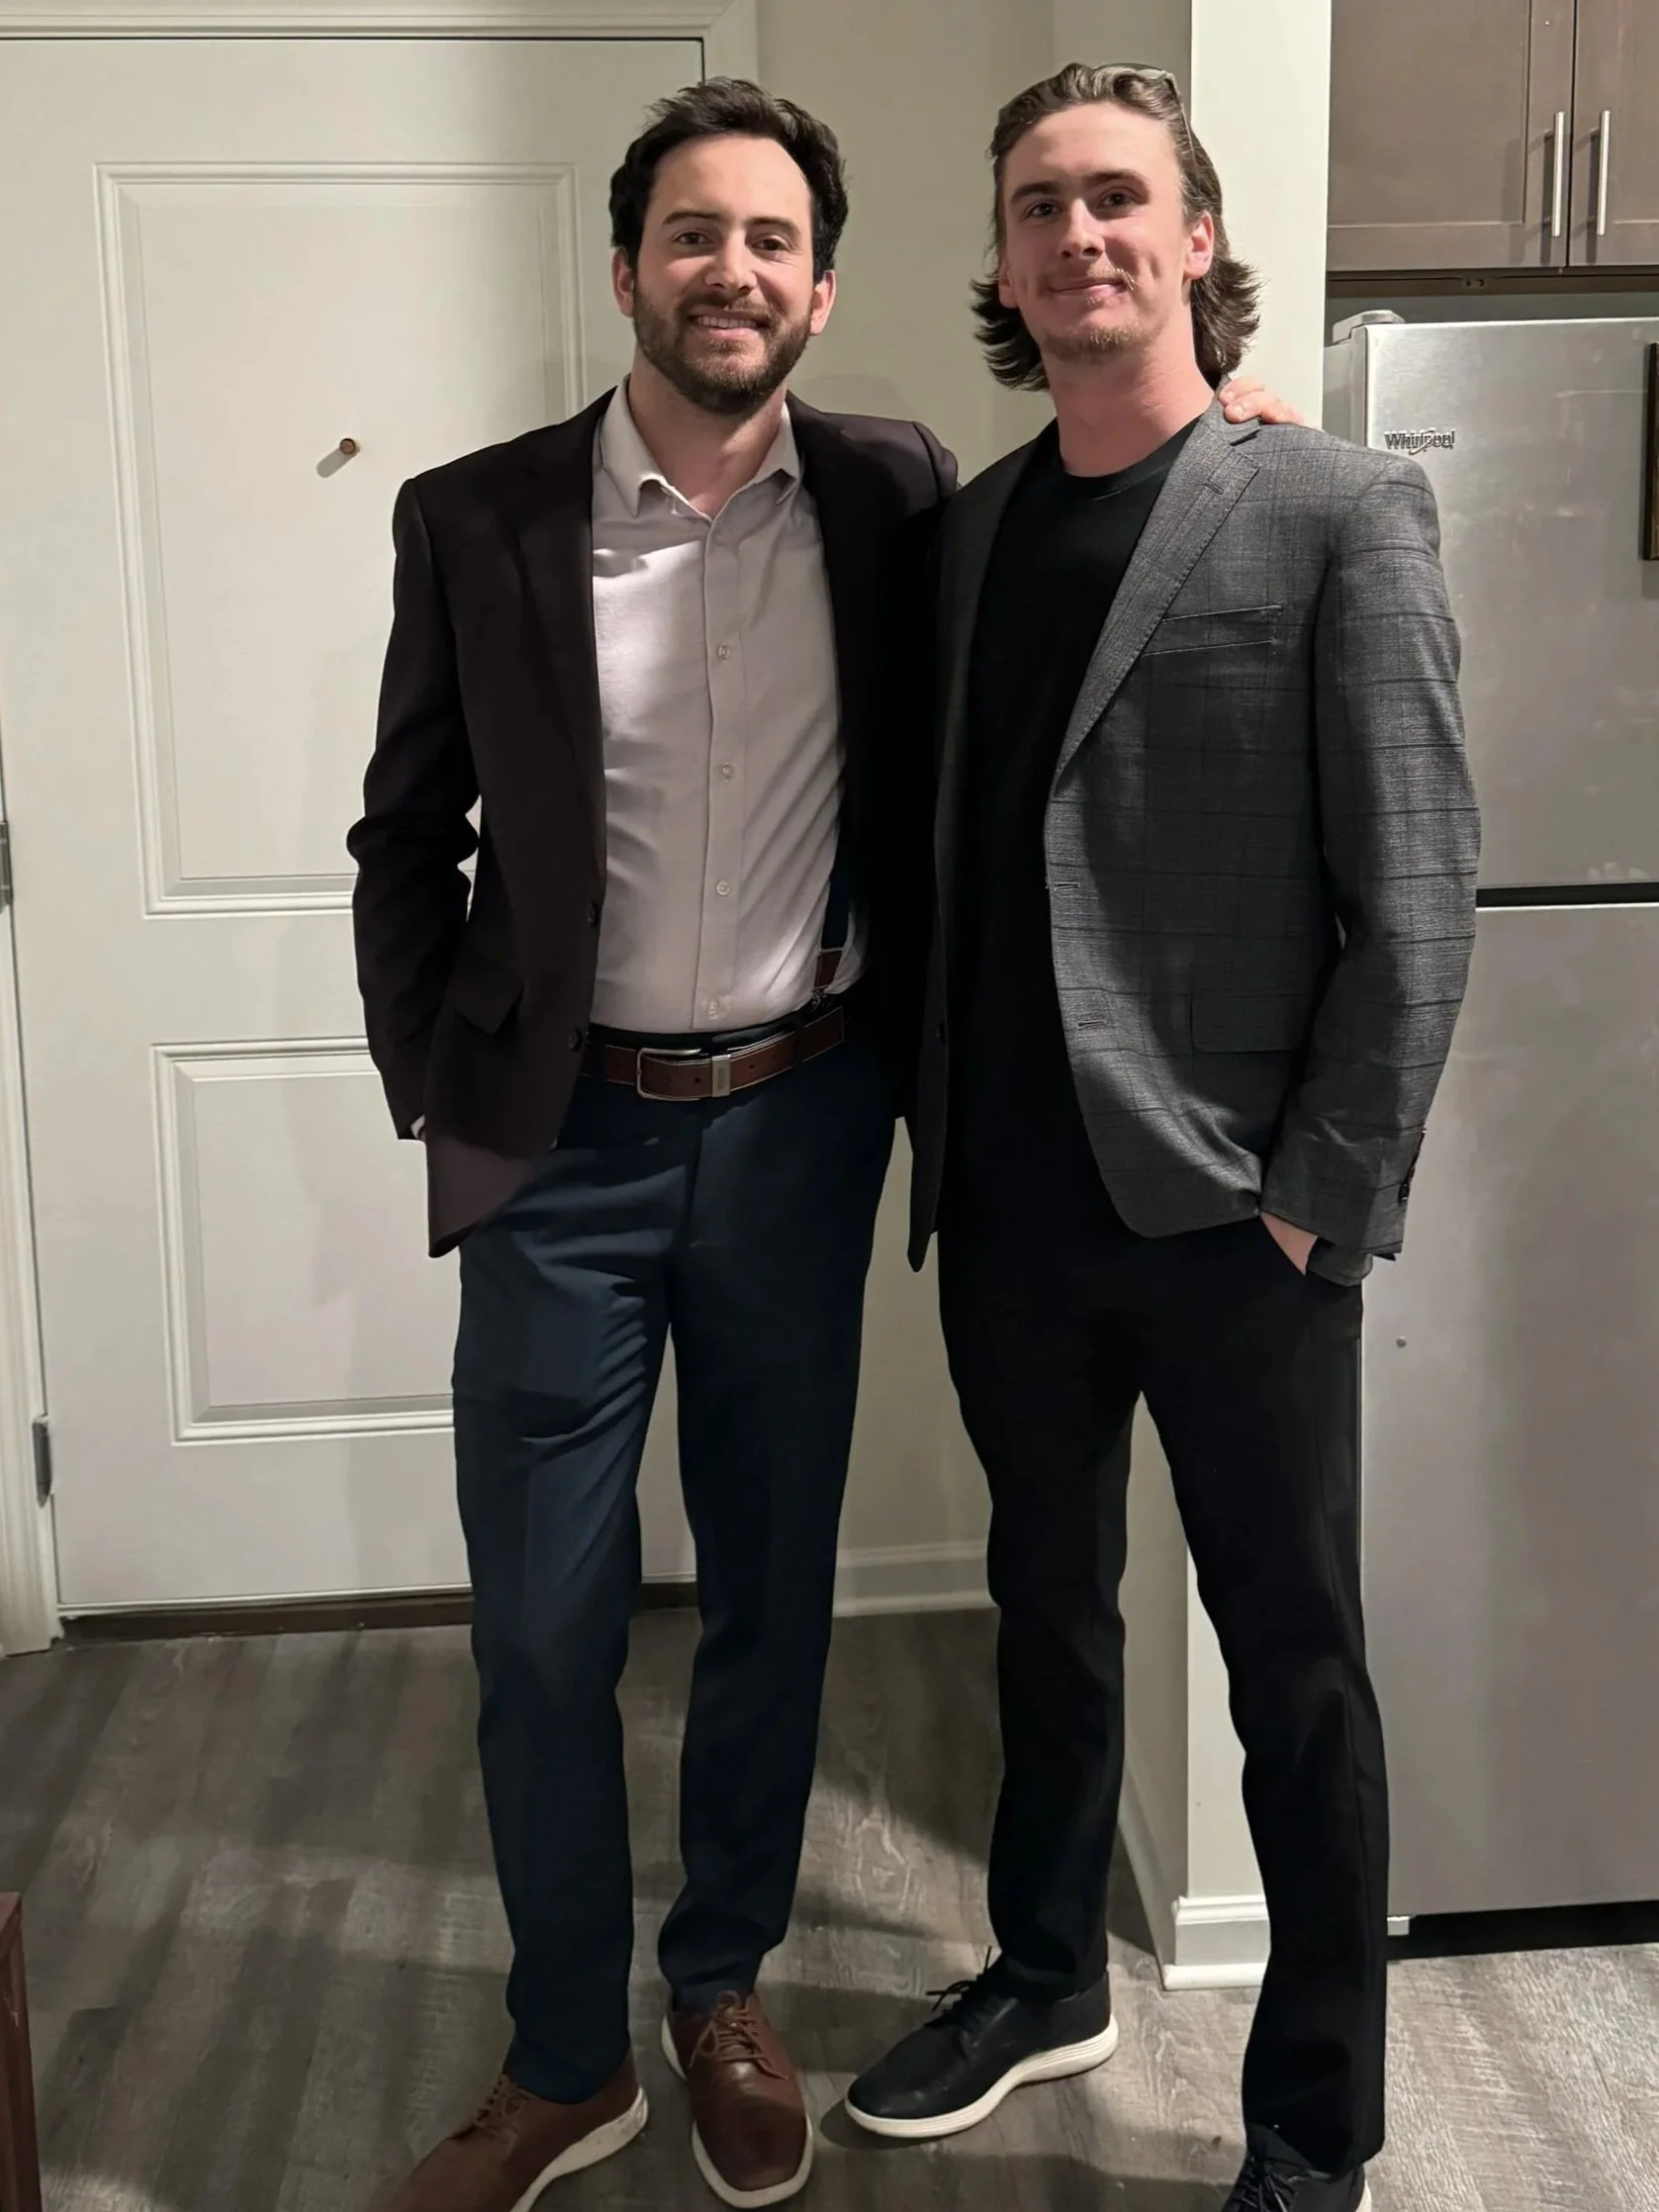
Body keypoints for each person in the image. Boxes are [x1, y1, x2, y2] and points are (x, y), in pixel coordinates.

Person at [351, 71, 1293, 2212]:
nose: (733, 270)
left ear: (823, 287)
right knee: (545, 1627)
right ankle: (563, 2055)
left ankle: (720, 1989)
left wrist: (1241, 424)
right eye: (694, 234)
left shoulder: (895, 496)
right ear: (627, 270)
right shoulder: (476, 518)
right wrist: (444, 1079)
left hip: (796, 1131)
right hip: (561, 1151)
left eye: (771, 240)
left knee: (771, 1599)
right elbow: (403, 835)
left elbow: (1111, 507)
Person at [845, 64, 1480, 2212]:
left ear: (1196, 238)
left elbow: (1417, 897)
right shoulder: (965, 536)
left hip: (1238, 1226)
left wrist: (1320, 1208)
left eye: (1117, 197)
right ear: (1004, 259)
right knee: (1044, 1616)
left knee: (1295, 1674)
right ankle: (1044, 1972)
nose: (1077, 234)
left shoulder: (1333, 511)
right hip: (1010, 1206)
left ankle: (1313, 2125)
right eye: (1038, 205)